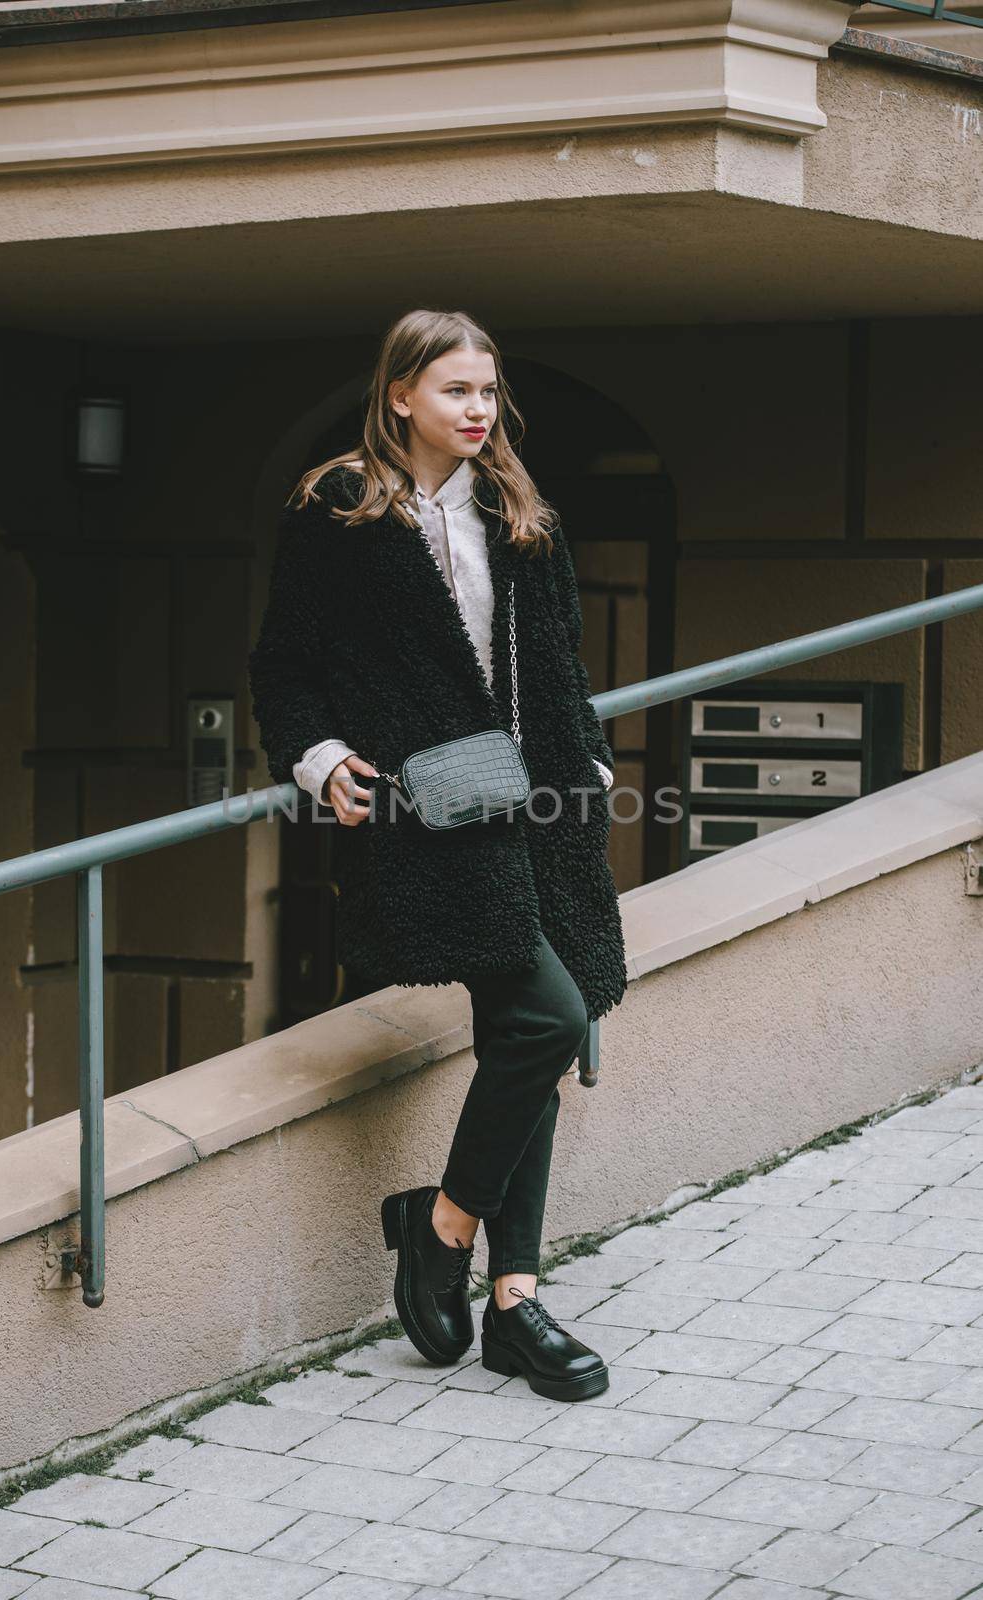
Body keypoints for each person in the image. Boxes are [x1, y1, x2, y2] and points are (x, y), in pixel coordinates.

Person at [249, 308, 628, 1402]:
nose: (479, 410)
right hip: (430, 814)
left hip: (540, 809)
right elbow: (285, 665)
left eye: (489, 391)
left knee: (532, 1031)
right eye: (457, 390)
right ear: (402, 394)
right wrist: (319, 760)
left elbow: (561, 663)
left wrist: (589, 763)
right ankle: (442, 1229)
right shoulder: (339, 512)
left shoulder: (522, 512)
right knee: (550, 1018)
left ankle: (512, 1298)